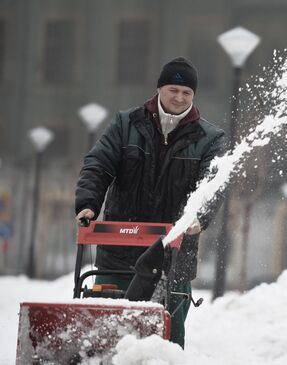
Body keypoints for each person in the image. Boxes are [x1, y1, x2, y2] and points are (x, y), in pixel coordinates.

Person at [74, 57, 226, 348]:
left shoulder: (210, 138)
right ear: (159, 89)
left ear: (193, 96)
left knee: (168, 333)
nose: (179, 97)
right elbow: (98, 165)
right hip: (118, 251)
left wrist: (198, 216)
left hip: (174, 255)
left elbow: (212, 184)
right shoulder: (126, 124)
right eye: (173, 89)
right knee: (109, 328)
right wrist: (87, 203)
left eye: (187, 93)